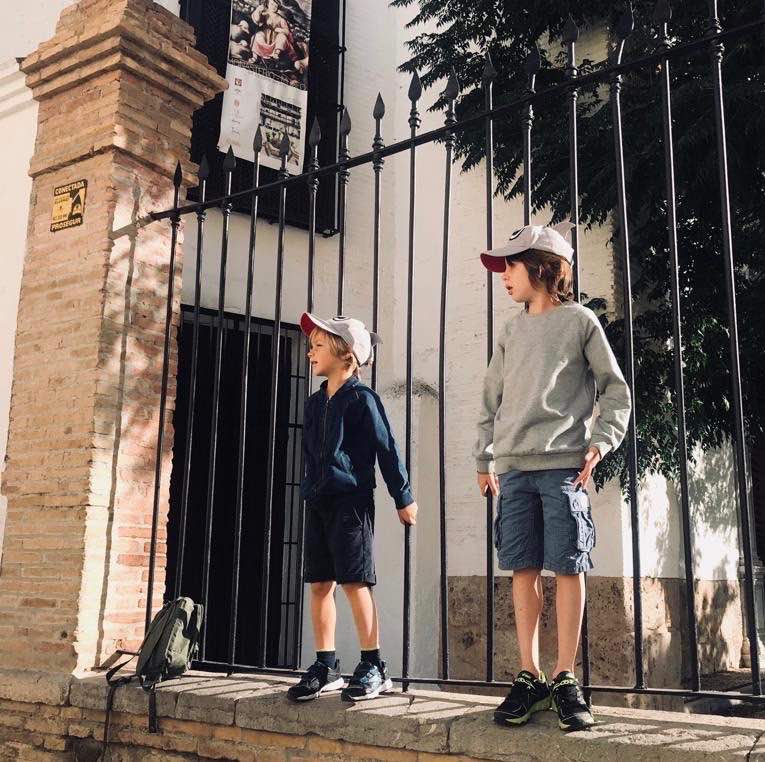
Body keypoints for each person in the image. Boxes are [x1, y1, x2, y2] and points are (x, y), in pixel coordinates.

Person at [475, 222, 631, 731]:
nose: (503, 276)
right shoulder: (510, 331)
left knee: (568, 567)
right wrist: (485, 458)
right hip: (515, 469)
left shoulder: (580, 322)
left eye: (510, 266)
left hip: (563, 468)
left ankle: (565, 677)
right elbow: (489, 400)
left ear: (542, 268)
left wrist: (601, 442)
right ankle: (530, 675)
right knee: (522, 568)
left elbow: (615, 390)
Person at [287, 313, 418, 703]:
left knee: (354, 582)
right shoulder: (314, 403)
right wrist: (311, 488)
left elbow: (387, 449)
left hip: (351, 502)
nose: (310, 352)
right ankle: (326, 665)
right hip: (319, 501)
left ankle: (374, 663)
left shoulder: (363, 399)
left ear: (346, 354)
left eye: (319, 345)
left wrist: (403, 496)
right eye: (310, 346)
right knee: (319, 583)